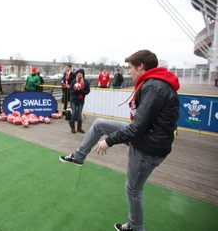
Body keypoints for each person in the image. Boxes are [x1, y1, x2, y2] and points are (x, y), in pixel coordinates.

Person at [59, 50, 180, 231]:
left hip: (149, 148)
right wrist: (132, 140)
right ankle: (78, 157)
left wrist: (110, 141)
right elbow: (145, 123)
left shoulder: (154, 87)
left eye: (130, 67)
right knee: (99, 123)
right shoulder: (154, 83)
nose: (128, 72)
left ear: (141, 66)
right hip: (147, 139)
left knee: (134, 190)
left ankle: (135, 227)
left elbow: (139, 126)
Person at [68, 68, 90, 133]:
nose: (79, 74)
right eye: (78, 73)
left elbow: (87, 91)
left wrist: (81, 92)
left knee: (79, 114)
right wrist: (75, 91)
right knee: (74, 112)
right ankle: (72, 127)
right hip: (74, 99)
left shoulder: (86, 82)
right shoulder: (74, 81)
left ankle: (79, 128)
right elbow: (70, 90)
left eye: (81, 73)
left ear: (83, 74)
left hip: (81, 100)